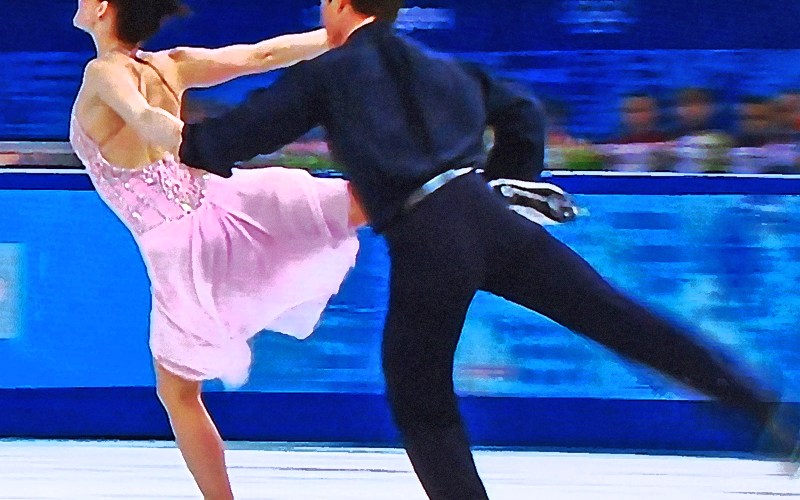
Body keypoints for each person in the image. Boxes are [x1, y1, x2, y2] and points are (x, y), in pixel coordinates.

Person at [179, 0, 799, 497]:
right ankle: (761, 408)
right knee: (620, 318)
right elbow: (522, 110)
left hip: (425, 233)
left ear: (341, 6)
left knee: (420, 398)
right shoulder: (442, 66)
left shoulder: (326, 74)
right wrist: (510, 182)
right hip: (487, 215)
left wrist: (173, 140)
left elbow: (231, 141)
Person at [69, 1, 371, 498]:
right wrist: (342, 36)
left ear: (103, 8)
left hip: (180, 246)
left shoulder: (102, 72)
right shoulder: (171, 65)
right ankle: (447, 188)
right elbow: (261, 55)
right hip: (223, 208)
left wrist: (182, 137)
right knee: (353, 203)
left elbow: (139, 113)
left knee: (178, 393)